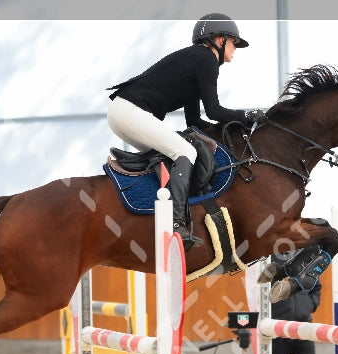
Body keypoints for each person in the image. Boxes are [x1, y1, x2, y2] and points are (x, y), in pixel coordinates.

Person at [107, 13, 264, 252]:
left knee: (180, 153)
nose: (236, 48)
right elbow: (214, 111)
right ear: (219, 40)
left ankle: (154, 215)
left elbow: (195, 120)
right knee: (185, 151)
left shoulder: (197, 61)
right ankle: (178, 223)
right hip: (129, 112)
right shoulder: (206, 60)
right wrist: (248, 116)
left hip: (124, 113)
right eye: (234, 42)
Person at [269, 252, 321, 354]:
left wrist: (310, 304)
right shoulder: (268, 259)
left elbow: (316, 286)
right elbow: (259, 289)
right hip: (277, 330)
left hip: (304, 328)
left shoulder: (308, 256)